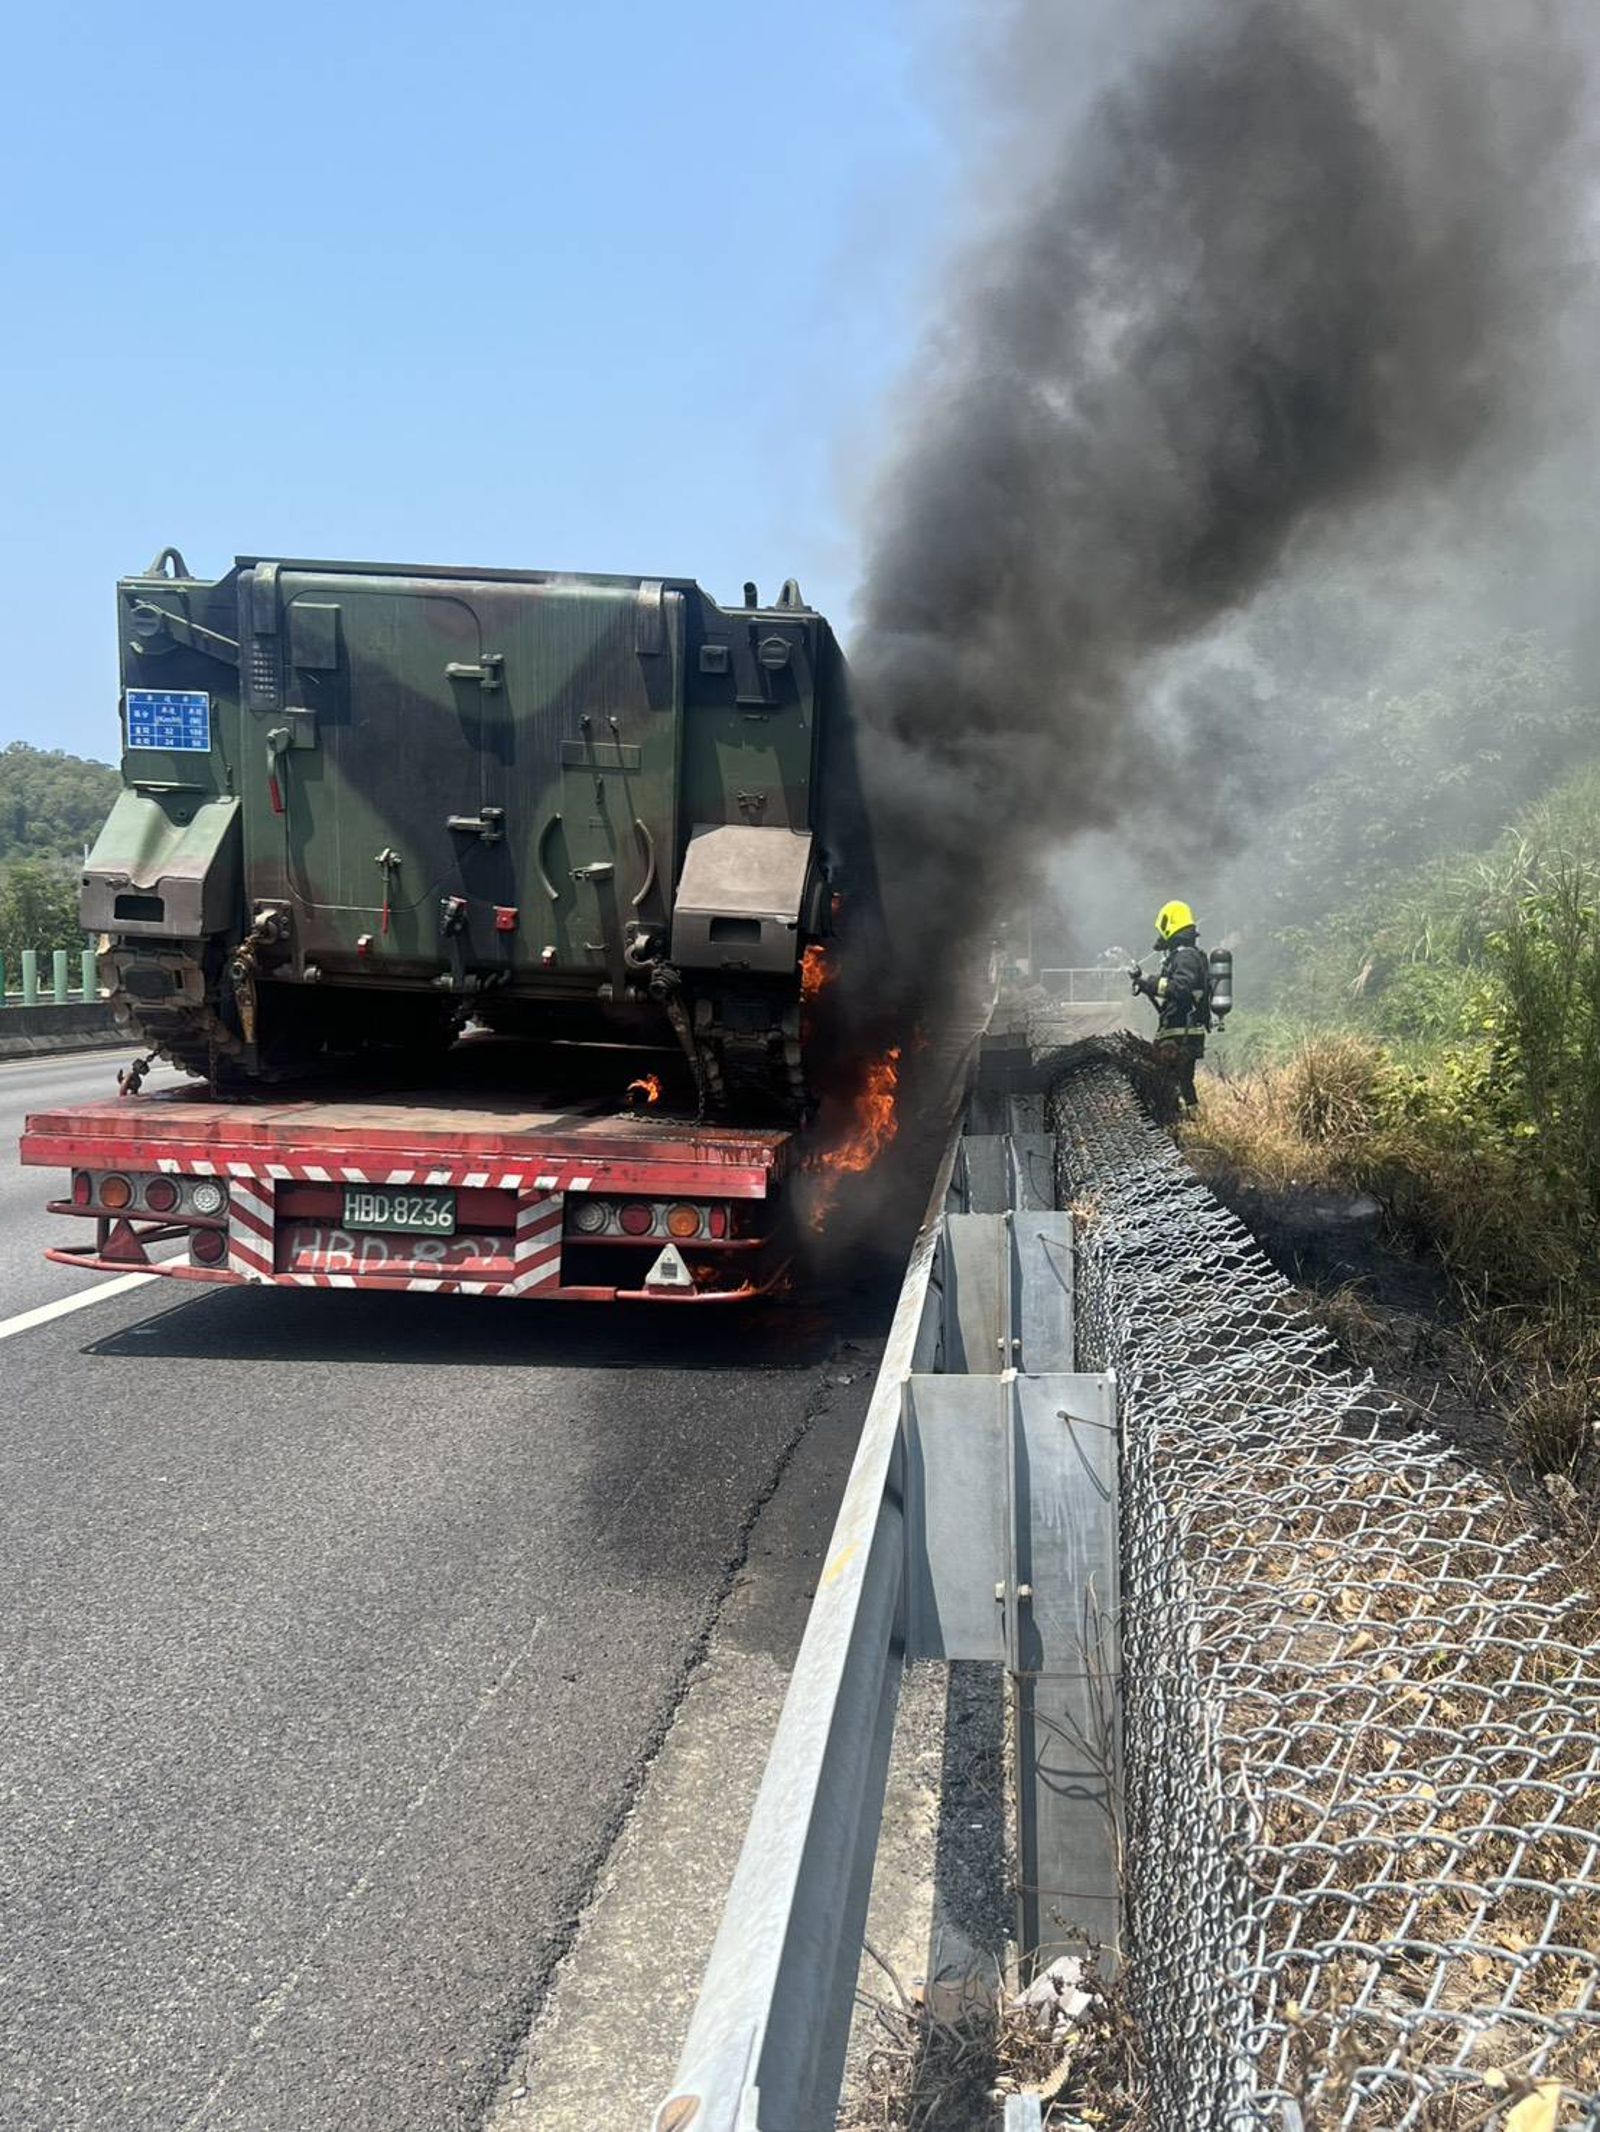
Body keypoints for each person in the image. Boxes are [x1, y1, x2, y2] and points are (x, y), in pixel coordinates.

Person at [1129, 900, 1210, 1110]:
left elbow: (1180, 988)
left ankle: (1187, 1126)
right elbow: (1172, 989)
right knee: (1180, 1083)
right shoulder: (1185, 955)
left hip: (1182, 1033)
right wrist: (1146, 983)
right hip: (1179, 1031)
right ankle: (1189, 1123)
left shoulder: (1186, 956)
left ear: (1169, 925)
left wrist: (1151, 983)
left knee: (1172, 1082)